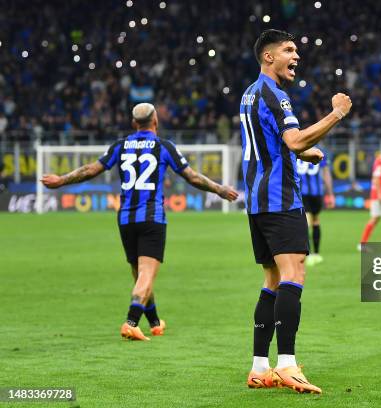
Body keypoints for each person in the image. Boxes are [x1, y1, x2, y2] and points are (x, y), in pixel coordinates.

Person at [41, 103, 238, 341]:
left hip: (125, 218)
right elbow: (191, 176)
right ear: (155, 120)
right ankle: (131, 321)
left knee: (138, 273)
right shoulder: (164, 146)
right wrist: (219, 189)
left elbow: (91, 169)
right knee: (146, 274)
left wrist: (61, 180)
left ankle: (154, 322)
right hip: (151, 216)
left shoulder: (121, 145)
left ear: (135, 123)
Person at [241, 29, 351, 394]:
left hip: (257, 201)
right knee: (294, 273)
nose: (296, 56)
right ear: (268, 57)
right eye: (289, 50)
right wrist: (336, 114)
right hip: (280, 198)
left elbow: (277, 144)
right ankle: (287, 363)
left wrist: (303, 153)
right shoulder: (276, 94)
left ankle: (259, 367)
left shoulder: (249, 94)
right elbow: (293, 138)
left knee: (271, 280)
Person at [296, 145, 334, 266]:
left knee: (305, 222)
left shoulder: (297, 148)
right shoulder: (321, 150)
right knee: (316, 221)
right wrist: (330, 193)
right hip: (316, 193)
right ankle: (316, 254)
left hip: (302, 192)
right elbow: (326, 174)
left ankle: (308, 253)